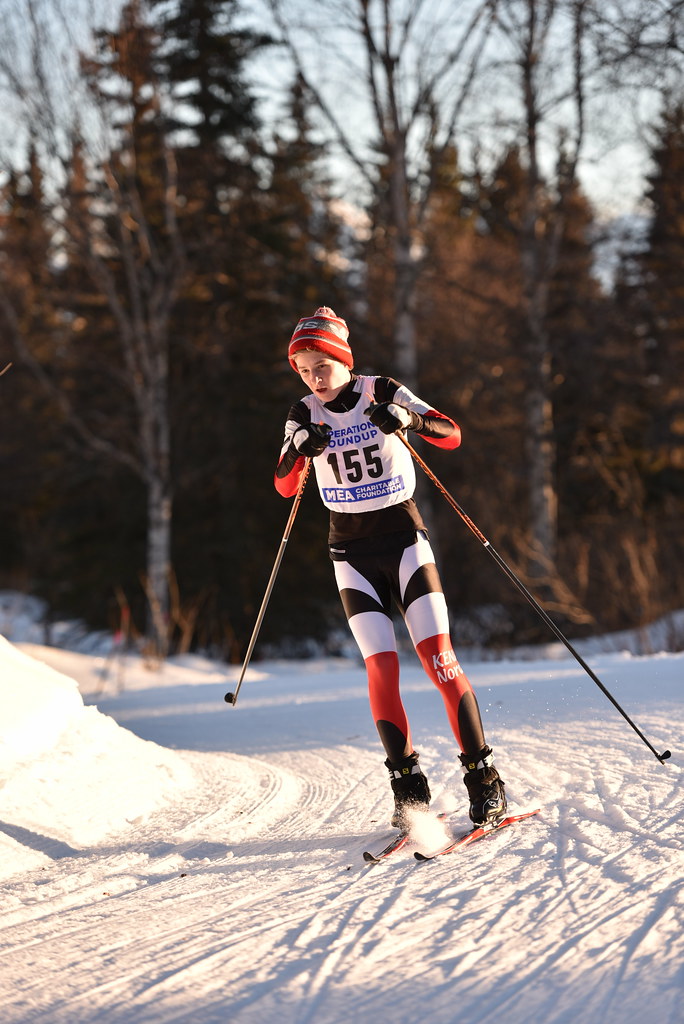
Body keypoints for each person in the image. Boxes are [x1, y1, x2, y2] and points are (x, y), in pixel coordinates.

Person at [275, 306, 506, 831]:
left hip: (404, 541)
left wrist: (410, 420)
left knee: (439, 660)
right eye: (304, 369)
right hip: (349, 554)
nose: (314, 377)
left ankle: (483, 780)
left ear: (342, 360)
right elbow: (284, 484)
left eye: (322, 366)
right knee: (381, 668)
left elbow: (451, 434)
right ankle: (408, 789)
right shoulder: (303, 409)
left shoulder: (381, 389)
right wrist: (300, 448)